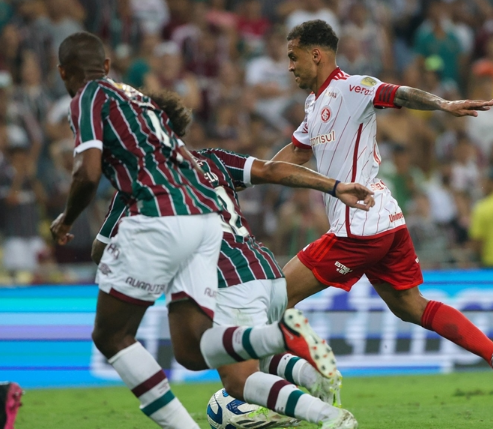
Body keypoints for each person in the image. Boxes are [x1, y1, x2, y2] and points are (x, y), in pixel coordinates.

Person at [49, 31, 350, 429]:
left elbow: (92, 199)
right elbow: (271, 170)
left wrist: (73, 224)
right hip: (236, 247)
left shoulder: (110, 129)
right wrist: (333, 185)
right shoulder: (196, 152)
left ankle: (296, 371)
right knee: (193, 352)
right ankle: (296, 359)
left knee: (125, 340)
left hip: (201, 254)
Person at [272, 19, 493, 409]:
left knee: (274, 300)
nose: (290, 66)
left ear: (317, 55)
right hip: (387, 222)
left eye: (294, 57)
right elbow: (293, 156)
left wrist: (443, 104)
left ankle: (310, 381)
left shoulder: (351, 87)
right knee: (410, 306)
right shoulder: (314, 104)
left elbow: (397, 93)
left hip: (358, 227)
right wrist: (245, 176)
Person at [89, 89, 373, 429]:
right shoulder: (213, 160)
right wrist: (334, 186)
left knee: (237, 380)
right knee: (255, 356)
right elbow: (271, 170)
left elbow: (100, 248)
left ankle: (328, 414)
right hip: (267, 271)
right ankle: (314, 377)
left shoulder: (139, 180)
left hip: (229, 279)